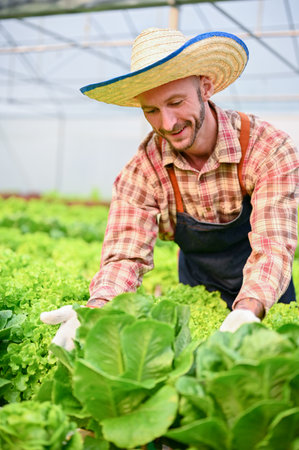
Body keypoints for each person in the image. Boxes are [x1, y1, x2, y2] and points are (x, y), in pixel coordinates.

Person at [41, 28, 299, 350]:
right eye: (151, 110)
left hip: (267, 294)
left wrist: (249, 309)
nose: (167, 123)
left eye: (176, 102)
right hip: (196, 285)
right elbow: (125, 257)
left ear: (206, 87)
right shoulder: (143, 171)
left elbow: (273, 245)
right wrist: (96, 311)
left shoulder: (267, 148)